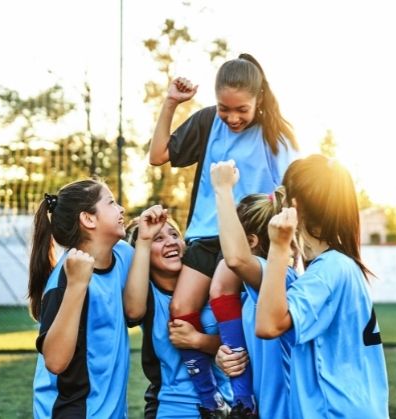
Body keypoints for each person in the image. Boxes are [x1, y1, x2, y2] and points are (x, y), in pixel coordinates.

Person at [148, 53, 299, 416]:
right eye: (224, 108)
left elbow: (295, 193)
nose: (232, 117)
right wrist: (170, 102)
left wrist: (285, 243)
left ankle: (243, 399)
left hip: (246, 239)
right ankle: (210, 402)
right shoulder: (206, 122)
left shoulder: (278, 135)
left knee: (220, 292)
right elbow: (157, 155)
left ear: (259, 99)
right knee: (180, 309)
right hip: (203, 235)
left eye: (241, 110)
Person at [256, 154, 390, 418]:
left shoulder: (328, 271)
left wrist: (278, 246)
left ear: (295, 206)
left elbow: (267, 325)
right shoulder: (340, 265)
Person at [28, 179, 134, 418]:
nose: (121, 209)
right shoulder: (64, 279)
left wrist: (147, 241)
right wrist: (77, 285)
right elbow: (55, 362)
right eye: (111, 203)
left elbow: (135, 312)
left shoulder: (123, 254)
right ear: (88, 219)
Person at [209, 160, 299, 419]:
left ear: (250, 241)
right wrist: (227, 354)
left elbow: (235, 259)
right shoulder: (252, 295)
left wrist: (223, 190)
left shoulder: (277, 275)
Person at [123, 207, 233, 419]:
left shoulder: (215, 283)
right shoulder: (146, 295)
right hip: (174, 409)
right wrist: (143, 239)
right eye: (158, 238)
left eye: (174, 235)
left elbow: (240, 342)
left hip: (228, 405)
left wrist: (198, 340)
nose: (171, 242)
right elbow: (132, 312)